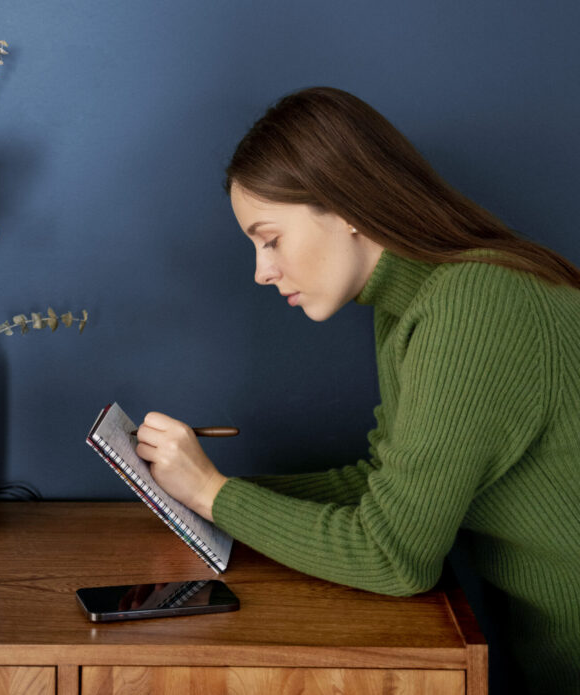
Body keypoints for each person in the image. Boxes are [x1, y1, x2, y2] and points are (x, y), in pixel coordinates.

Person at [134, 87, 580, 694]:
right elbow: (382, 484)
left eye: (270, 238)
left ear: (345, 207)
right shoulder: (415, 304)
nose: (262, 271)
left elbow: (395, 558)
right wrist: (202, 496)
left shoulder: (475, 304)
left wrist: (213, 496)